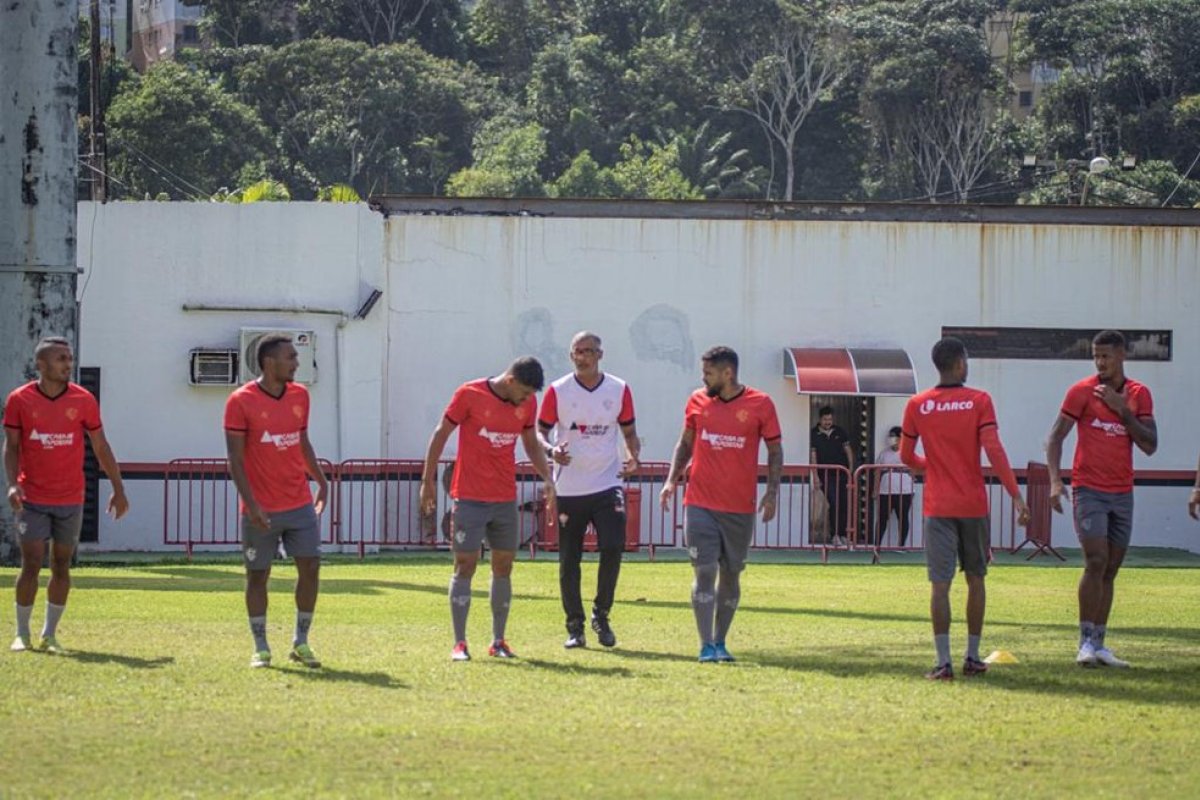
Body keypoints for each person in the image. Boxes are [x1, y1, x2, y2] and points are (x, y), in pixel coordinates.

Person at [900, 337, 1030, 681]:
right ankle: (972, 657)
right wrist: (1016, 495)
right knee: (976, 579)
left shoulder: (918, 404)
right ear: (960, 364)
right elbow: (994, 449)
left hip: (937, 506)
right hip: (972, 505)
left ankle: (943, 663)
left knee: (939, 586)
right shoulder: (979, 401)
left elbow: (905, 457)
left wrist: (932, 466)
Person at [420, 357, 556, 662]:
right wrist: (427, 480)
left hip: (505, 499)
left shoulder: (528, 404)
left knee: (504, 566)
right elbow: (441, 433)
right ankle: (459, 643)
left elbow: (531, 442)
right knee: (465, 564)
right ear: (510, 381)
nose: (527, 399)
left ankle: (498, 641)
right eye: (523, 392)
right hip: (469, 497)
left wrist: (548, 478)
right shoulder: (469, 394)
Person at [4, 337, 129, 653]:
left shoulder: (84, 399)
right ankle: (22, 633)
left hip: (70, 498)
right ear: (41, 365)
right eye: (61, 359)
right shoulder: (20, 400)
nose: (68, 365)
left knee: (61, 564)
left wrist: (118, 488)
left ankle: (49, 634)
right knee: (31, 563)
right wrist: (12, 484)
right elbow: (12, 446)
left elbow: (100, 446)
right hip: (32, 497)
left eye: (69, 358)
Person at [660, 346, 782, 663]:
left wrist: (772, 492)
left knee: (730, 575)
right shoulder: (697, 401)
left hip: (740, 508)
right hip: (699, 503)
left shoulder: (761, 404)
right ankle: (705, 645)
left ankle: (720, 641)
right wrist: (671, 479)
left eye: (709, 373)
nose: (704, 379)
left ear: (728, 373)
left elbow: (775, 451)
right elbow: (685, 442)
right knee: (704, 571)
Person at [1045, 329, 1156, 669]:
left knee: (1110, 568)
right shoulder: (1081, 392)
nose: (1101, 362)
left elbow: (1150, 445)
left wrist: (1122, 411)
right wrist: (1054, 480)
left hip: (1122, 493)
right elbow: (1055, 438)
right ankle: (1083, 644)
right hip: (1088, 489)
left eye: (1106, 355)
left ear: (1123, 355)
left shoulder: (1139, 394)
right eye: (1096, 356)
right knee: (1095, 560)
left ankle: (1100, 644)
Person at [225, 333, 329, 669]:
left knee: (311, 567)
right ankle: (260, 646)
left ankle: (301, 641)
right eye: (291, 357)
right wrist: (251, 504)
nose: (298, 363)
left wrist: (321, 481)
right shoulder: (240, 401)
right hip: (261, 509)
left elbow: (302, 441)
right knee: (258, 575)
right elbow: (235, 460)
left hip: (299, 503)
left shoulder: (300, 395)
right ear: (269, 362)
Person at [537, 332, 640, 649]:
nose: (582, 357)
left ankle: (602, 613)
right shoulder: (558, 390)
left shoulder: (619, 389)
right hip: (569, 487)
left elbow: (630, 431)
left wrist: (634, 456)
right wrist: (551, 449)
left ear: (600, 354)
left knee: (612, 546)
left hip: (607, 483)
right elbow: (538, 431)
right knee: (570, 560)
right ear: (570, 355)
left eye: (589, 351)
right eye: (577, 351)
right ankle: (575, 626)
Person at [810, 406, 854, 546]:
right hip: (826, 474)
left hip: (842, 473)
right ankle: (834, 534)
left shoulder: (840, 432)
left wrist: (851, 471)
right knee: (834, 502)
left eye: (830, 419)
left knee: (843, 504)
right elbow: (813, 455)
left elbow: (848, 450)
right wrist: (815, 476)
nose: (828, 422)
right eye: (825, 419)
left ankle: (843, 534)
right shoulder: (813, 433)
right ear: (820, 419)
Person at [874, 426, 914, 547]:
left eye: (895, 437)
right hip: (885, 491)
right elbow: (877, 472)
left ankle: (901, 546)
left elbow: (915, 469)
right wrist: (875, 489)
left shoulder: (908, 453)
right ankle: (877, 545)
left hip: (904, 491)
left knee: (903, 518)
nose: (893, 439)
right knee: (882, 519)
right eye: (891, 437)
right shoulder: (884, 454)